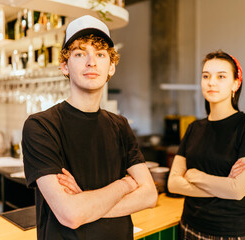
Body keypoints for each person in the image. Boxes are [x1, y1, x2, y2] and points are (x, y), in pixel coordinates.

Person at [22, 15, 157, 240]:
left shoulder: (120, 126)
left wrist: (85, 201)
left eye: (100, 54)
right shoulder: (41, 126)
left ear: (111, 66)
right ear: (65, 66)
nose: (91, 62)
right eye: (80, 54)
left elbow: (149, 196)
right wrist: (125, 184)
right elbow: (71, 214)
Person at [167, 50, 245, 240]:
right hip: (190, 225)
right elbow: (173, 184)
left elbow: (238, 190)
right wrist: (223, 187)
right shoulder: (193, 128)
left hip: (231, 231)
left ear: (235, 84)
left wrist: (194, 175)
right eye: (206, 76)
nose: (211, 82)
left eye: (221, 76)